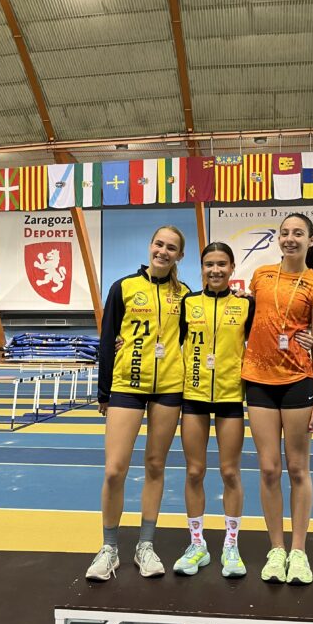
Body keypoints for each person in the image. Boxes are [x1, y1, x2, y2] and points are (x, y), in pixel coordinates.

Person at [86, 226, 189, 581]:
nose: (163, 251)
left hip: (169, 388)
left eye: (171, 247)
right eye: (159, 244)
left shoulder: (185, 295)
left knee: (155, 466)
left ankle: (145, 545)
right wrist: (103, 392)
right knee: (114, 469)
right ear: (150, 246)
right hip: (126, 386)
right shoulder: (123, 287)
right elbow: (107, 339)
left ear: (179, 255)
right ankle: (109, 548)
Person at [241, 212, 313, 585]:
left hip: (297, 381)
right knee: (268, 469)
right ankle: (276, 549)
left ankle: (299, 551)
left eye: (298, 233)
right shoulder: (260, 275)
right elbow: (248, 320)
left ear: (311, 240)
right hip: (258, 381)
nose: (290, 238)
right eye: (285, 232)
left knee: (297, 469)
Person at [174, 242, 254, 579]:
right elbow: (168, 339)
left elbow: (264, 339)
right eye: (209, 264)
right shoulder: (188, 302)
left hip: (230, 396)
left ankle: (231, 546)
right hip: (193, 396)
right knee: (194, 472)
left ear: (232, 268)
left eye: (222, 264)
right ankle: (197, 544)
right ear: (202, 268)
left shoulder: (247, 304)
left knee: (230, 473)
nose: (215, 270)